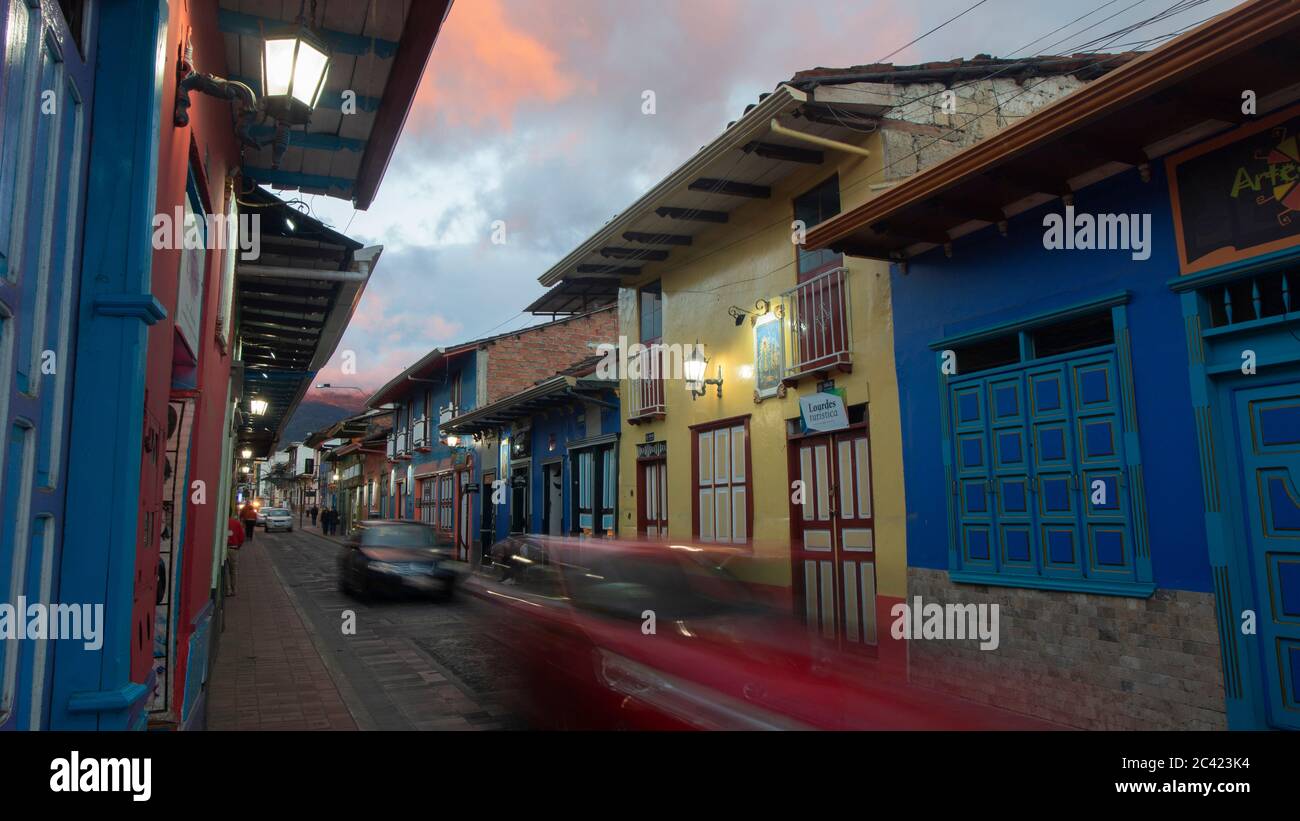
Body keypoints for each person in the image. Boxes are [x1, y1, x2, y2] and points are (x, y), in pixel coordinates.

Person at [225, 515, 245, 596]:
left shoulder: (223, 522)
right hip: (233, 549)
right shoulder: (236, 523)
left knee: (225, 570)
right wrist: (238, 545)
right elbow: (242, 537)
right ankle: (234, 590)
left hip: (225, 548)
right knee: (233, 571)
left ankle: (227, 590)